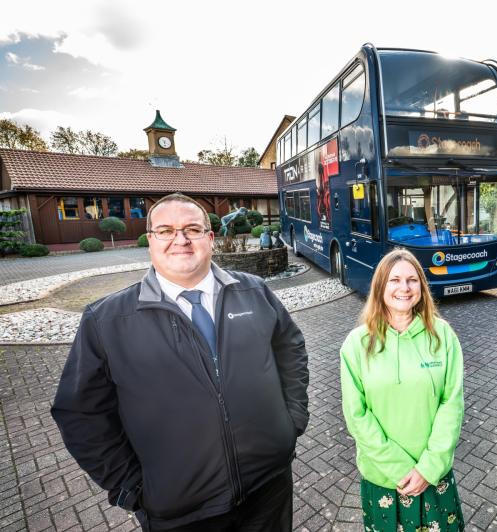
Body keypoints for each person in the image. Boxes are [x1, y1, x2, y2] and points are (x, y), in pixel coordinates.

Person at [51, 192, 309, 531]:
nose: (181, 239)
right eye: (167, 230)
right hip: (181, 512)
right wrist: (132, 487)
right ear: (151, 241)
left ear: (210, 238)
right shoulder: (107, 320)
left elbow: (290, 348)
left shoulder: (254, 291)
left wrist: (291, 422)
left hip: (269, 489)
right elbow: (80, 413)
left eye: (192, 229)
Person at [340, 249, 465, 531]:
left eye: (412, 280)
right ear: (380, 286)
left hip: (433, 478)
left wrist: (428, 468)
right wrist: (400, 469)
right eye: (394, 280)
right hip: (383, 480)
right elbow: (356, 415)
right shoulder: (356, 344)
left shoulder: (442, 335)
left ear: (422, 286)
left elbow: (452, 403)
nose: (404, 288)